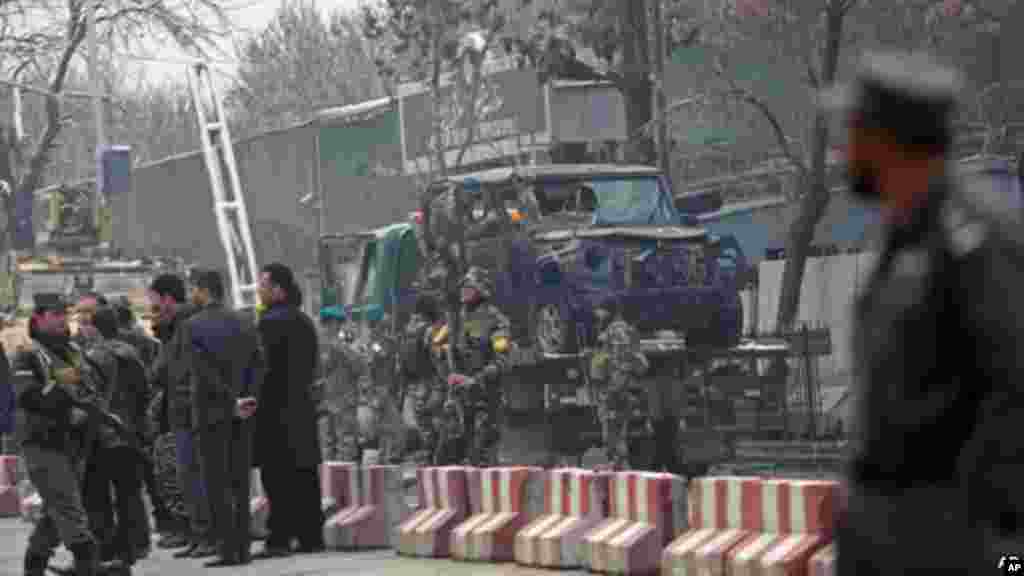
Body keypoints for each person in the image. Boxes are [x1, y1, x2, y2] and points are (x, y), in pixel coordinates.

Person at [824, 50, 1024, 573]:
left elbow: (1012, 387)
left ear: (888, 141)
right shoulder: (901, 236)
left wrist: (981, 533)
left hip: (951, 538)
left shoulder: (973, 240)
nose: (844, 150)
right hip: (892, 534)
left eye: (855, 133)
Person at [180, 268, 263, 567]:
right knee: (240, 482)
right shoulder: (245, 321)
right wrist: (247, 397)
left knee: (216, 483)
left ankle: (228, 550)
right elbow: (258, 363)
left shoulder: (192, 326)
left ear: (203, 290)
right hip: (245, 413)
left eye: (194, 289)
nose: (193, 295)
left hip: (212, 413)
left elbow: (202, 371)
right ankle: (242, 548)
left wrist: (230, 400)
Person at [12, 294, 100, 576]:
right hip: (43, 443)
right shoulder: (28, 353)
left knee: (57, 510)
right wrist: (67, 414)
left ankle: (34, 566)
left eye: (64, 313)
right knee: (69, 508)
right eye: (54, 314)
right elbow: (27, 396)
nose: (62, 318)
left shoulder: (72, 350)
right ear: (38, 319)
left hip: (73, 442)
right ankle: (88, 565)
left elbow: (87, 386)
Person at [253, 263, 324, 558]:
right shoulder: (305, 322)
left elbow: (262, 370)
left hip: (274, 412)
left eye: (263, 286)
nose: (259, 290)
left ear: (278, 289)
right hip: (302, 408)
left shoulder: (269, 323)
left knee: (277, 477)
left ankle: (279, 538)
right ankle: (311, 537)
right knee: (305, 476)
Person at [76, 305, 149, 570]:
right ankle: (137, 542)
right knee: (130, 492)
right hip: (129, 434)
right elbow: (144, 393)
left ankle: (108, 547)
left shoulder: (93, 357)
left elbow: (87, 398)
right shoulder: (133, 354)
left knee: (98, 496)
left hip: (102, 435)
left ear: (94, 328)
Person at [148, 274, 211, 557]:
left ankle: (200, 534)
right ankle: (197, 534)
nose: (153, 310)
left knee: (189, 474)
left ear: (167, 299)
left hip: (187, 410)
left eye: (154, 303)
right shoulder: (180, 325)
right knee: (186, 474)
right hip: (185, 409)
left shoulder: (181, 326)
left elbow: (165, 370)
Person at [112, 298, 168, 551]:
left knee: (132, 483)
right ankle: (163, 525)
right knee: (151, 476)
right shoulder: (149, 342)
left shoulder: (118, 347)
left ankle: (139, 536)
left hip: (127, 420)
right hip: (146, 416)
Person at [444, 267, 511, 467]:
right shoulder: (458, 318)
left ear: (481, 290)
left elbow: (502, 360)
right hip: (461, 396)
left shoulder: (495, 320)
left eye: (469, 287)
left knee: (483, 450)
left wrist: (477, 379)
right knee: (458, 449)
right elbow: (446, 350)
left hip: (486, 395)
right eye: (463, 287)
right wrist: (451, 375)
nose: (464, 291)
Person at [589, 305, 650, 470]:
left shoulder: (610, 333)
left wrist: (598, 368)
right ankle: (618, 460)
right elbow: (642, 364)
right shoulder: (629, 332)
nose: (598, 316)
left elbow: (601, 365)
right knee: (619, 425)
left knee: (611, 425)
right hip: (623, 387)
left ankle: (615, 460)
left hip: (613, 389)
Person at [403, 293, 444, 465]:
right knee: (436, 423)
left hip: (414, 384)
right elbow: (438, 359)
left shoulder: (409, 328)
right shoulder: (431, 330)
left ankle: (427, 458)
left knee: (424, 425)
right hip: (431, 382)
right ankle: (435, 461)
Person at [317, 306, 360, 462]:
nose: (341, 326)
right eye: (339, 323)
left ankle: (329, 480)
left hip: (327, 401)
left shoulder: (322, 343)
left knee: (328, 444)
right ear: (333, 323)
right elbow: (358, 367)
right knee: (344, 443)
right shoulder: (340, 344)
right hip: (340, 400)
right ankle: (342, 481)